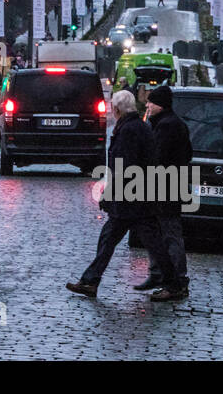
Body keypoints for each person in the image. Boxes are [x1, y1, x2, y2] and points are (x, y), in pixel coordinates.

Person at [65, 90, 180, 301]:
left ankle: (174, 284)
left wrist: (110, 193)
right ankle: (91, 280)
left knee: (143, 242)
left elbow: (124, 167)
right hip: (136, 197)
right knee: (116, 240)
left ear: (116, 109)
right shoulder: (137, 127)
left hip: (131, 199)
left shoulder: (129, 130)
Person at [132, 83, 192, 296]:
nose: (147, 104)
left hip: (165, 189)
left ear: (161, 105)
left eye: (151, 101)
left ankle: (176, 280)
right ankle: (160, 274)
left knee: (168, 234)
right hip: (167, 187)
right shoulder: (165, 123)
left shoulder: (167, 126)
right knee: (157, 233)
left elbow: (157, 158)